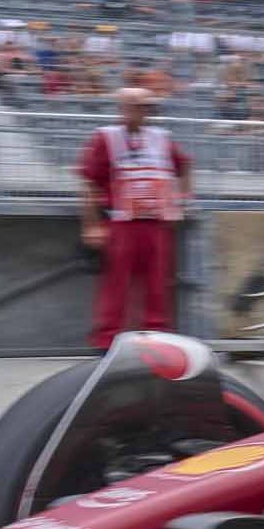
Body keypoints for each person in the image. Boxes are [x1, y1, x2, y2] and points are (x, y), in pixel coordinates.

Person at [77, 87, 192, 350]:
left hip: (157, 223)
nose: (146, 112)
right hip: (121, 223)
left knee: (158, 282)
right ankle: (107, 340)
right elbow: (89, 184)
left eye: (148, 107)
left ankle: (157, 336)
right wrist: (91, 225)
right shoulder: (105, 138)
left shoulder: (163, 138)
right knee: (116, 283)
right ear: (123, 108)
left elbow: (184, 166)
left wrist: (180, 201)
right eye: (139, 106)